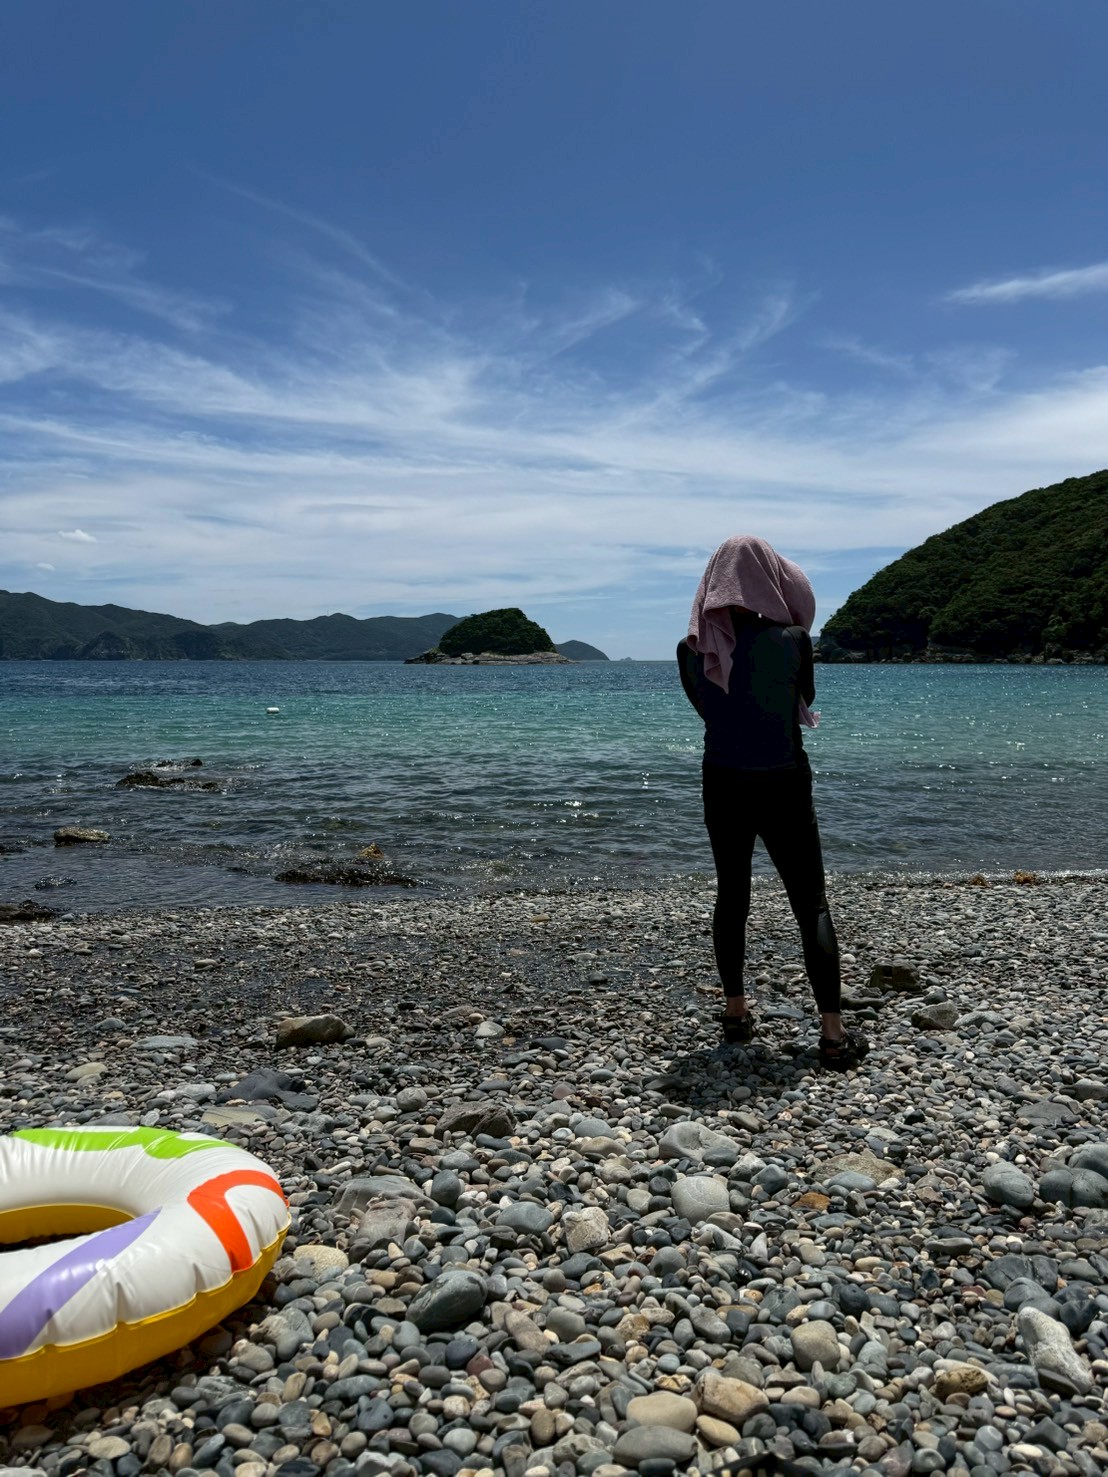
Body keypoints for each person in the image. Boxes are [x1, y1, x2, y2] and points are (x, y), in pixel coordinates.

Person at [677, 534, 869, 1070]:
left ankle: (736, 1013)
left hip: (723, 780)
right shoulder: (794, 639)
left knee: (732, 895)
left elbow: (706, 709)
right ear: (770, 579)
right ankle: (833, 1036)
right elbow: (802, 698)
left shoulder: (692, 647)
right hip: (784, 779)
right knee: (811, 903)